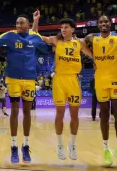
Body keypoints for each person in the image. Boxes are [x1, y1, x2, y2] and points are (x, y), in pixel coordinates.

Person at [0, 13, 49, 164]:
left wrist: (56, 40)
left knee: (28, 112)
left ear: (28, 25)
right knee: (15, 111)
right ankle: (13, 146)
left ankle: (26, 145)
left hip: (29, 79)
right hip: (13, 79)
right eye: (17, 23)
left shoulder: (35, 37)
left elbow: (47, 48)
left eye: (21, 23)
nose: (18, 26)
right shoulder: (10, 36)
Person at [36, 17, 93, 161]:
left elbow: (93, 56)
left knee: (74, 115)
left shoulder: (79, 43)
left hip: (73, 80)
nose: (63, 29)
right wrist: (36, 20)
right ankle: (60, 145)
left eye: (66, 27)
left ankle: (72, 145)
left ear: (73, 29)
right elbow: (35, 36)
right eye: (62, 27)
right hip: (59, 80)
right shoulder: (56, 41)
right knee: (60, 113)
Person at [84, 15, 117, 167]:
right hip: (100, 80)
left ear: (110, 23)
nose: (104, 24)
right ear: (98, 25)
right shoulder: (91, 37)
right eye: (101, 22)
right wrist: (93, 57)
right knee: (103, 115)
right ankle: (106, 149)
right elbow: (81, 45)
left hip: (115, 78)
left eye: (106, 21)